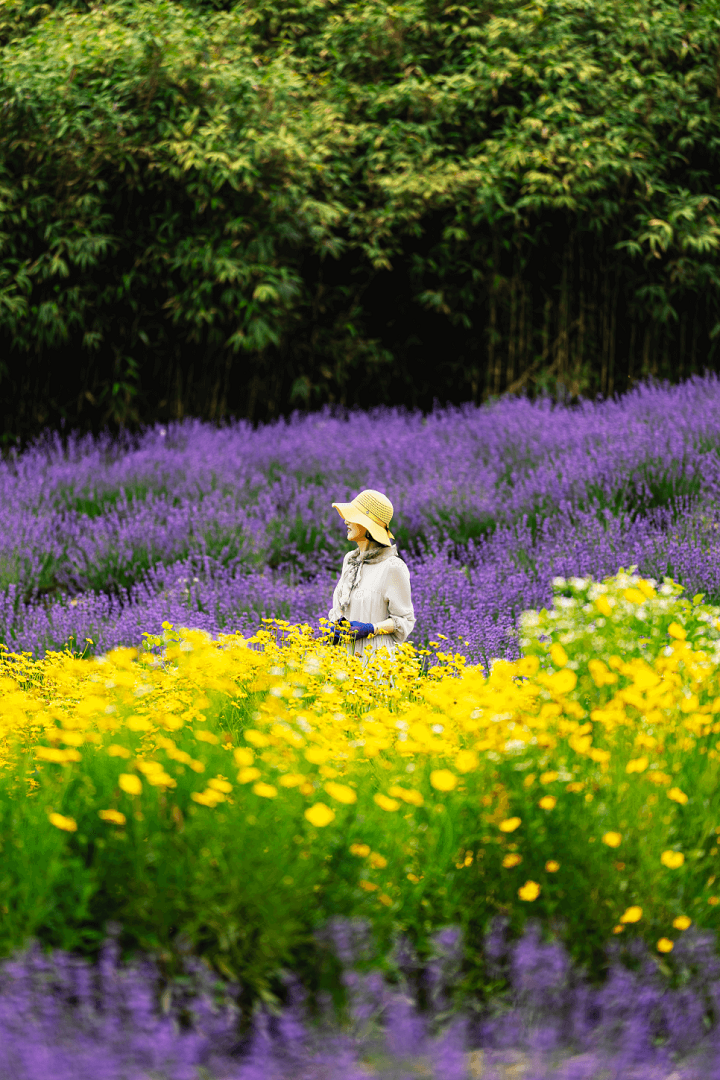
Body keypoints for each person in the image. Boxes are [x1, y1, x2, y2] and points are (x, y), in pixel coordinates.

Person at [327, 488, 415, 658]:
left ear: (368, 526)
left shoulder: (393, 566)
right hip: (344, 658)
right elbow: (339, 609)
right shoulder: (350, 560)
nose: (346, 521)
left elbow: (405, 621)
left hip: (375, 659)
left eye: (353, 517)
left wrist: (371, 629)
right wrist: (334, 628)